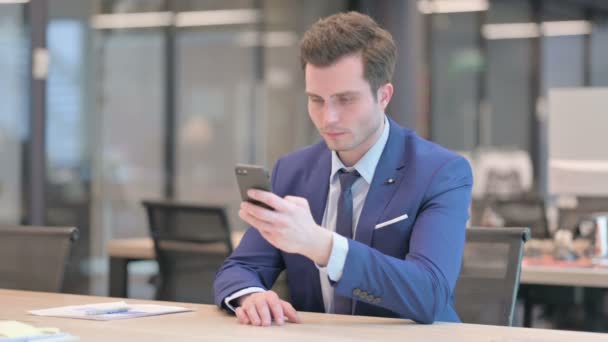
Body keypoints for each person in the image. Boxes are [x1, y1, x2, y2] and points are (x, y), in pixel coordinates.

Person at [214, 11, 473, 326]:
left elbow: (430, 294)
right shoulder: (292, 170)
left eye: (345, 100)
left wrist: (319, 244)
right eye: (316, 100)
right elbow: (239, 268)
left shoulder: (440, 172)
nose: (328, 118)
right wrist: (251, 295)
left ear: (384, 96)